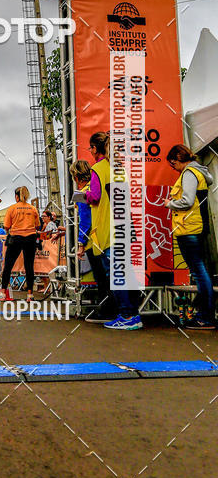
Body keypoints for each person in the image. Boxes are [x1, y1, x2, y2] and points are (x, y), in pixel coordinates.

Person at [86, 131, 141, 330]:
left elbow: (95, 196)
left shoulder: (98, 168)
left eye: (90, 148)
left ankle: (126, 315)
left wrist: (85, 195)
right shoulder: (118, 168)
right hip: (124, 225)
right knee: (126, 272)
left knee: (116, 274)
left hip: (109, 229)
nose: (90, 151)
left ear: (95, 149)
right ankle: (133, 313)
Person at [165, 143, 215, 330]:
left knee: (199, 272)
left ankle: (205, 317)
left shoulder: (189, 173)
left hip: (189, 228)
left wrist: (170, 204)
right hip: (196, 226)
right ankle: (205, 315)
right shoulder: (199, 172)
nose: (174, 168)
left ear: (178, 159)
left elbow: (187, 201)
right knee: (200, 271)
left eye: (173, 164)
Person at [70, 159, 113, 320]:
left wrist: (81, 243)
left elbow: (85, 221)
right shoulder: (97, 188)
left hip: (92, 241)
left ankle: (107, 310)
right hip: (106, 236)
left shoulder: (82, 194)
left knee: (101, 278)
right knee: (108, 276)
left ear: (76, 177)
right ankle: (113, 309)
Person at [0, 186, 40, 302]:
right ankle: (30, 295)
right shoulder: (33, 209)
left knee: (8, 266)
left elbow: (6, 226)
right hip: (30, 238)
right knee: (29, 266)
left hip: (16, 238)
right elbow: (37, 225)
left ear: (16, 197)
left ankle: (2, 293)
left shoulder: (12, 208)